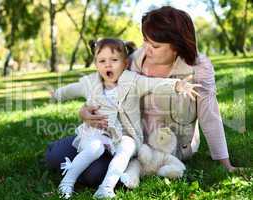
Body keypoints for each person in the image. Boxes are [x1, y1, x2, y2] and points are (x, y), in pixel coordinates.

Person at [45, 6, 237, 188]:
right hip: (120, 135)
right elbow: (101, 85)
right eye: (145, 40)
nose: (147, 48)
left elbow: (210, 116)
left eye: (155, 45)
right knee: (55, 156)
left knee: (92, 175)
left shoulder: (199, 68)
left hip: (160, 148)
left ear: (177, 46)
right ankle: (58, 149)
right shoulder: (134, 60)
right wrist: (84, 111)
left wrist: (225, 163)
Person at [51, 38, 200, 199]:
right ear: (96, 64)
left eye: (114, 60)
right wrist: (57, 94)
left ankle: (106, 187)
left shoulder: (133, 81)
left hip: (124, 135)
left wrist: (176, 85)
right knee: (95, 148)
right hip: (95, 133)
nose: (108, 65)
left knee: (127, 146)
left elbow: (154, 83)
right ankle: (66, 182)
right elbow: (71, 90)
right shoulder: (90, 82)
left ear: (125, 63)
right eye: (102, 61)